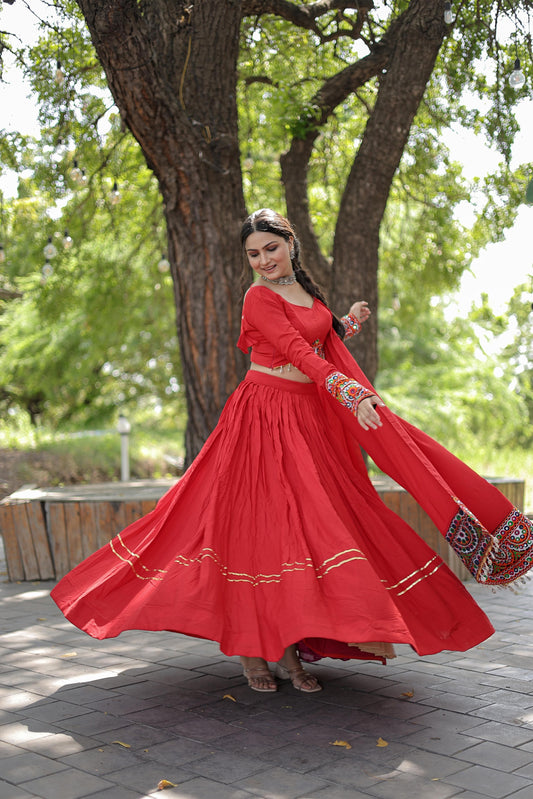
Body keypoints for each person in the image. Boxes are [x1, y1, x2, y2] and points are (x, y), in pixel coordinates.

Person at [51, 208, 533, 695]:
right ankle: (258, 654)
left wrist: (346, 324)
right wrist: (352, 393)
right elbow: (295, 352)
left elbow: (317, 339)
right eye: (253, 254)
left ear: (291, 244)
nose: (263, 260)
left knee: (312, 529)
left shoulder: (304, 289)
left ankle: (289, 644)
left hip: (307, 419)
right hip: (263, 417)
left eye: (271, 249)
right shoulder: (257, 296)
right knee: (260, 530)